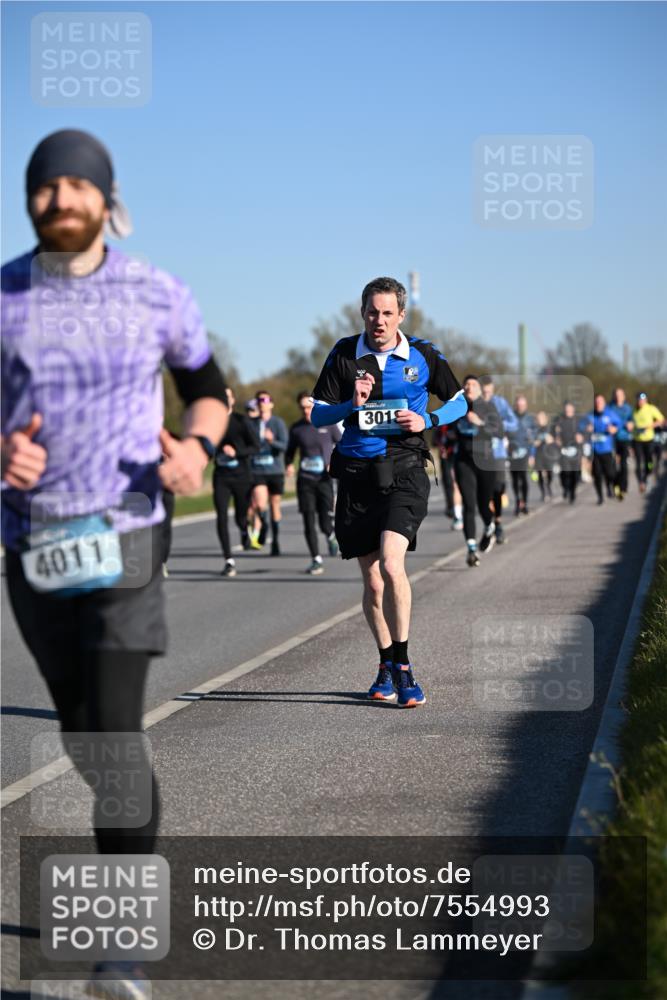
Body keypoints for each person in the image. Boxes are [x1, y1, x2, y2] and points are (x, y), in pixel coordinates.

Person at [1, 130, 228, 996]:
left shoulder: (157, 294)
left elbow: (207, 387)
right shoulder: (5, 296)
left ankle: (119, 948)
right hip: (33, 538)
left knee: (114, 733)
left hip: (130, 527)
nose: (59, 199)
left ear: (104, 197)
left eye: (74, 185)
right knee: (82, 732)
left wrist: (197, 449)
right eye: (44, 187)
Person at [310, 277, 467, 707]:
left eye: (386, 313)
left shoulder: (422, 354)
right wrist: (351, 406)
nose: (378, 320)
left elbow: (459, 401)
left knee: (393, 564)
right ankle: (384, 661)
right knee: (373, 581)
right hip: (358, 472)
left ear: (401, 315)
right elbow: (318, 413)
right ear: (363, 313)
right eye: (371, 312)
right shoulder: (344, 354)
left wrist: (429, 421)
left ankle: (403, 665)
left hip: (405, 468)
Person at [285, 391, 340, 575]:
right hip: (305, 480)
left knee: (325, 521)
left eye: (308, 407)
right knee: (308, 520)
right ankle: (316, 558)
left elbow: (342, 444)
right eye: (302, 408)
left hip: (324, 479)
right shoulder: (296, 429)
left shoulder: (329, 423)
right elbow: (290, 452)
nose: (306, 411)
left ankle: (331, 535)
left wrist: (334, 462)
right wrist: (288, 465)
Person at [452, 377, 503, 566]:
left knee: (483, 504)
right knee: (469, 504)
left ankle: (490, 527)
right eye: (466, 385)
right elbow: (447, 430)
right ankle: (471, 550)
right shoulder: (458, 407)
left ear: (480, 390)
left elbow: (499, 431)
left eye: (473, 385)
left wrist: (480, 423)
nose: (469, 387)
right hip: (464, 461)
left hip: (485, 461)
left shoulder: (489, 408)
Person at [213, 387, 260, 576]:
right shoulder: (212, 423)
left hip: (242, 476)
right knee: (221, 516)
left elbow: (255, 446)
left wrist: (237, 453)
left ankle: (243, 529)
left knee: (242, 515)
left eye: (227, 397)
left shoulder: (242, 421)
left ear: (232, 400)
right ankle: (228, 560)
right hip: (221, 477)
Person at [479, 376, 518, 545]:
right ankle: (491, 523)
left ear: (493, 389)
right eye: (483, 390)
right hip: (482, 454)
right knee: (485, 492)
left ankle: (498, 522)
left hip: (499, 453)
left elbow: (514, 423)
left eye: (489, 390)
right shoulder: (476, 404)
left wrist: (500, 425)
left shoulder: (500, 403)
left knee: (498, 488)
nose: (486, 393)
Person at [249, 390, 288, 554]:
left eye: (265, 400)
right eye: (258, 400)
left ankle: (276, 541)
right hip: (257, 470)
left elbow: (284, 446)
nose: (261, 403)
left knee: (275, 505)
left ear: (271, 404)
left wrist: (272, 441)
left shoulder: (278, 423)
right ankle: (263, 525)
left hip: (275, 470)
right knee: (259, 503)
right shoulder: (251, 424)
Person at [581, 394, 620, 504]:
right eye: (596, 402)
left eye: (600, 402)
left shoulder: (610, 414)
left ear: (604, 403)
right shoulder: (590, 416)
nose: (598, 404)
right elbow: (581, 426)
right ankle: (600, 497)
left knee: (610, 473)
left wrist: (614, 428)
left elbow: (619, 424)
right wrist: (586, 429)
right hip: (595, 451)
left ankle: (609, 486)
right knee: (597, 474)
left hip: (607, 449)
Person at [507, 394, 537, 516]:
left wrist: (532, 455)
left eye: (522, 405)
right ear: (515, 405)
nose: (520, 406)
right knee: (514, 479)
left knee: (523, 478)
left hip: (525, 453)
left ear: (526, 405)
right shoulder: (510, 417)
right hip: (512, 453)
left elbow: (533, 438)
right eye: (518, 404)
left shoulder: (530, 419)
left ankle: (524, 503)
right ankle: (518, 502)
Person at [632, 391, 665, 493]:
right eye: (639, 400)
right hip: (637, 441)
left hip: (649, 440)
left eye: (642, 400)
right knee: (637, 463)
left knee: (649, 463)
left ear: (646, 400)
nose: (640, 402)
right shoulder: (633, 411)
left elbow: (661, 420)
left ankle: (646, 476)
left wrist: (650, 426)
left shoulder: (651, 408)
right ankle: (641, 482)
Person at [552, 402, 583, 503]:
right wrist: (556, 438)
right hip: (563, 450)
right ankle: (565, 488)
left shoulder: (578, 421)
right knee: (565, 472)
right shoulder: (559, 420)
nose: (568, 411)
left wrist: (581, 437)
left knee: (575, 474)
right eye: (566, 410)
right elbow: (552, 432)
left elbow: (586, 432)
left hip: (575, 450)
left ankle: (572, 492)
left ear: (573, 410)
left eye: (570, 409)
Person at [608, 387, 634, 499]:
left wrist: (631, 424)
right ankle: (615, 485)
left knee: (623, 465)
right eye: (616, 394)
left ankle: (623, 487)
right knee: (613, 466)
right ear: (614, 396)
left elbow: (632, 421)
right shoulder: (609, 408)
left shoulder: (628, 408)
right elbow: (605, 420)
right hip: (612, 440)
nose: (618, 396)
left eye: (620, 394)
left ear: (624, 396)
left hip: (624, 439)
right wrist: (609, 427)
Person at [533, 410, 557, 501]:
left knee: (549, 473)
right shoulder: (535, 430)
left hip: (549, 454)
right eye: (538, 418)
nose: (540, 420)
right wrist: (536, 443)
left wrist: (551, 440)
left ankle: (549, 486)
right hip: (539, 454)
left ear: (546, 419)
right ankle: (543, 493)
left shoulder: (550, 428)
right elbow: (532, 442)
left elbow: (555, 440)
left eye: (542, 418)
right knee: (539, 474)